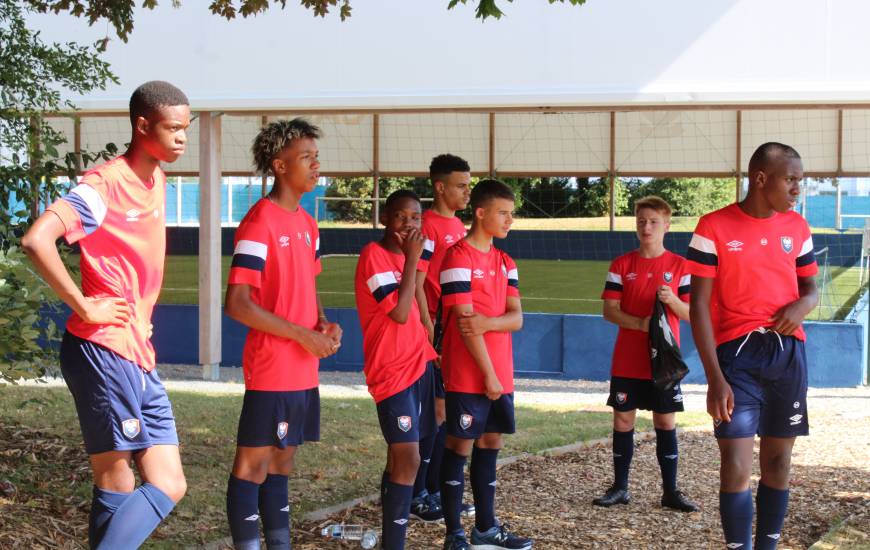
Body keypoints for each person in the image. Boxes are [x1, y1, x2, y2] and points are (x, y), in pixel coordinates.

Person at [21, 81, 191, 549]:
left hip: (137, 351)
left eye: (186, 129)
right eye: (173, 128)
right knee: (117, 482)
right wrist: (85, 304)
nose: (182, 138)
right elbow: (37, 240)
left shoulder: (156, 177)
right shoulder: (103, 185)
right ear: (142, 125)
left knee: (168, 482)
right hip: (101, 350)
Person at [687, 142, 818, 549]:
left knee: (778, 462)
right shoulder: (713, 227)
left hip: (787, 355)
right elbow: (699, 308)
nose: (798, 188)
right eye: (791, 179)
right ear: (761, 179)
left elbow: (811, 289)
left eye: (800, 180)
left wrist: (802, 305)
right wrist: (714, 378)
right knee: (736, 466)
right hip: (736, 360)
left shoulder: (797, 228)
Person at [224, 118, 342, 550]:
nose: (316, 166)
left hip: (303, 369)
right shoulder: (259, 223)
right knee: (252, 465)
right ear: (279, 165)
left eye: (316, 157)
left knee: (284, 460)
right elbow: (237, 303)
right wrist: (300, 336)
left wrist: (323, 325)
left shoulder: (308, 224)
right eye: (306, 158)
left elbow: (307, 291)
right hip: (273, 367)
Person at [438, 179, 532, 550]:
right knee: (459, 446)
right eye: (503, 213)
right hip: (467, 375)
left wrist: (488, 322)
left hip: (500, 375)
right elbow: (464, 325)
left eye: (512, 214)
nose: (509, 220)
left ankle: (486, 528)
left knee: (490, 441)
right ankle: (454, 535)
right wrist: (489, 375)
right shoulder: (456, 257)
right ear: (480, 213)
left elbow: (516, 318)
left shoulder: (506, 262)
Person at [594, 196, 699, 512]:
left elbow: (692, 313)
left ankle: (670, 492)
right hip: (627, 359)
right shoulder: (621, 265)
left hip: (663, 361)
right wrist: (641, 323)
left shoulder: (680, 267)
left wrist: (672, 302)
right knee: (623, 420)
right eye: (641, 221)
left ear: (667, 225)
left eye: (653, 221)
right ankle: (620, 488)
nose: (646, 227)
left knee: (665, 423)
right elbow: (610, 311)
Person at [354, 189, 438, 549]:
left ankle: (391, 535)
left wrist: (430, 333)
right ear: (385, 218)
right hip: (392, 370)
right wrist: (410, 260)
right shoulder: (374, 255)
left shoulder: (413, 256)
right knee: (410, 456)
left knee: (404, 452)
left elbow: (416, 300)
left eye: (416, 217)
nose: (409, 223)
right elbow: (399, 312)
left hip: (420, 362)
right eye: (402, 216)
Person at [411, 154, 473, 522]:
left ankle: (435, 490)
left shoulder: (459, 227)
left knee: (448, 412)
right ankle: (420, 492)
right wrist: (427, 327)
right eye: (460, 185)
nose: (467, 191)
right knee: (433, 413)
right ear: (440, 187)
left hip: (454, 332)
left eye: (468, 185)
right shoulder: (429, 226)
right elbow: (418, 282)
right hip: (436, 332)